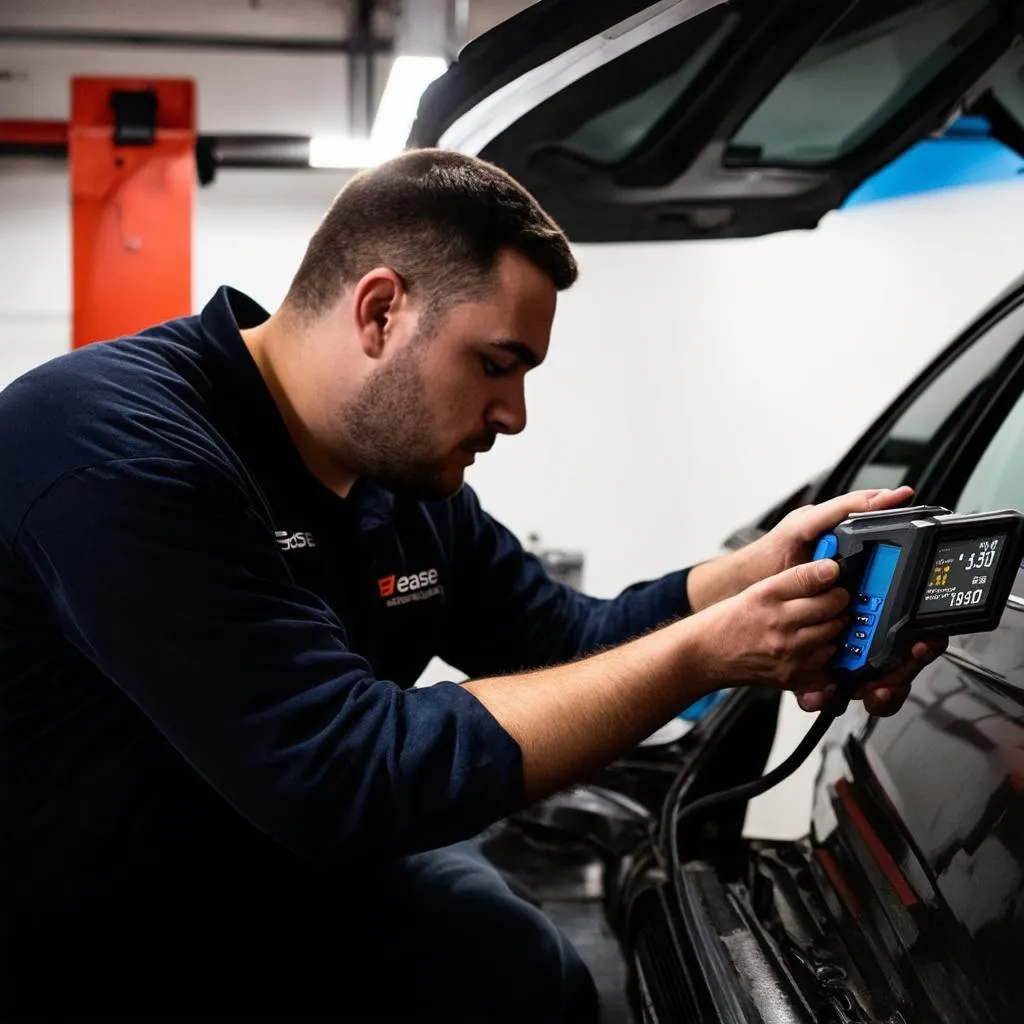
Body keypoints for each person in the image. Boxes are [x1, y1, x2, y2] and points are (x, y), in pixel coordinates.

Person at [0, 148, 942, 1023]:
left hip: (278, 864)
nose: (515, 414)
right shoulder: (113, 451)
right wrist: (706, 652)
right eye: (497, 365)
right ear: (380, 312)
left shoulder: (398, 479)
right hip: (104, 922)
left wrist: (740, 583)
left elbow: (568, 643)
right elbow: (342, 770)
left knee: (525, 975)